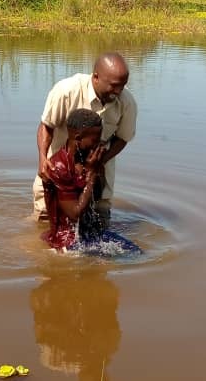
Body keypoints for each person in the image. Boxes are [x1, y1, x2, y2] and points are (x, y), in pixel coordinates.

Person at [33, 52, 137, 228]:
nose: (118, 91)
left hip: (98, 176)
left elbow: (122, 139)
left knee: (99, 224)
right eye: (114, 85)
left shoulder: (126, 102)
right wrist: (43, 158)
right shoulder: (67, 91)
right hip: (58, 174)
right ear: (96, 77)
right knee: (46, 224)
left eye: (123, 85)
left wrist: (96, 165)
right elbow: (47, 126)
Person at [42, 108, 140, 256]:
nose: (98, 145)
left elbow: (97, 196)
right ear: (79, 137)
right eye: (95, 140)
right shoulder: (59, 166)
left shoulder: (87, 159)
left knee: (137, 254)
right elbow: (74, 214)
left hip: (89, 234)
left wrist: (95, 168)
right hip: (67, 241)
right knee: (120, 263)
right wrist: (92, 173)